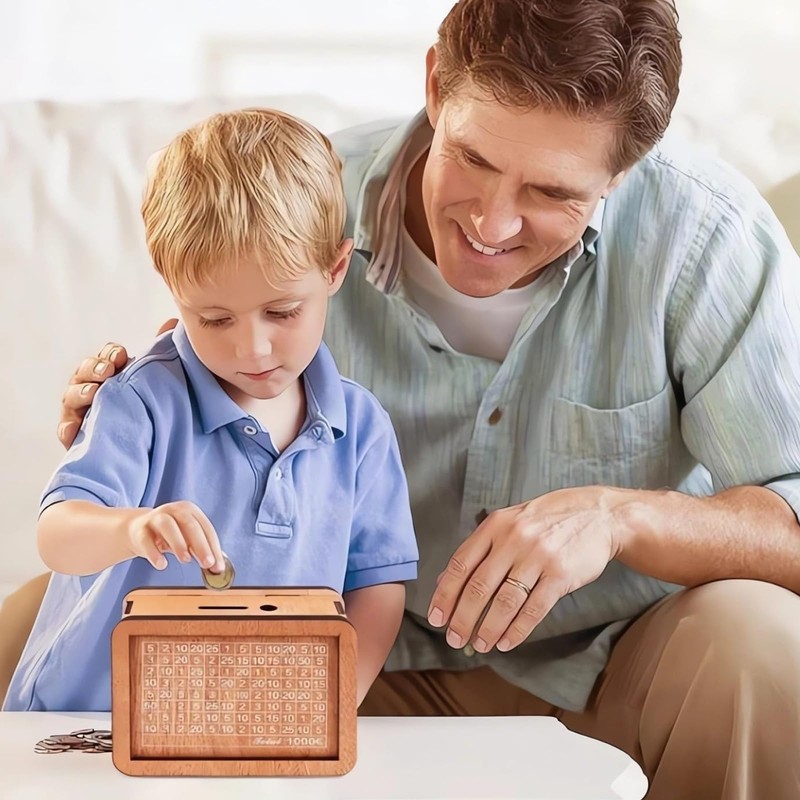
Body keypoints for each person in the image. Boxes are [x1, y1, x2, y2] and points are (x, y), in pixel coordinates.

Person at [36, 0, 800, 796]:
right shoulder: (298, 206)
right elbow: (197, 375)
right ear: (435, 84)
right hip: (348, 657)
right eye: (472, 157)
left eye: (551, 192)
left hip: (613, 665)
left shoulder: (705, 239)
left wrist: (620, 518)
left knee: (762, 642)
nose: (492, 223)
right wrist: (129, 411)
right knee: (48, 628)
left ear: (623, 171)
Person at [3, 108, 418, 712]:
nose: (252, 349)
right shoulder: (140, 399)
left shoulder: (362, 428)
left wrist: (332, 705)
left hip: (250, 724)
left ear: (334, 269)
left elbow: (377, 584)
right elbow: (58, 533)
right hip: (93, 720)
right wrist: (131, 529)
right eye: (215, 319)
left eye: (282, 312)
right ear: (173, 288)